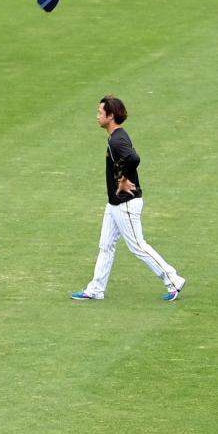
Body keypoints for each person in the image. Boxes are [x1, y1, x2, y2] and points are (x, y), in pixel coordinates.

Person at [71, 96, 185, 302]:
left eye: (100, 112)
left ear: (111, 115)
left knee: (138, 246)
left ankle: (173, 279)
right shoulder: (117, 136)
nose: (97, 116)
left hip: (125, 204)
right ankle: (96, 288)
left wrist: (122, 180)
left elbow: (134, 159)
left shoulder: (116, 140)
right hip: (114, 203)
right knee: (105, 245)